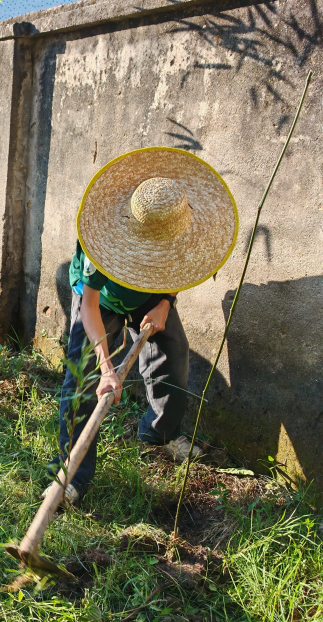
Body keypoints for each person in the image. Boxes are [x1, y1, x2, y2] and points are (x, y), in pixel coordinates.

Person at [49, 147, 238, 505]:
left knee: (174, 350)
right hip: (102, 299)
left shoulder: (183, 225)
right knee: (83, 379)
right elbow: (89, 306)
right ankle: (71, 475)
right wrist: (108, 369)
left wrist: (165, 303)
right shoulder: (101, 241)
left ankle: (159, 433)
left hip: (150, 293)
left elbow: (186, 269)